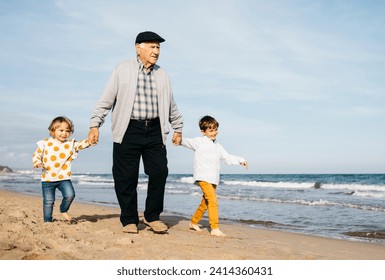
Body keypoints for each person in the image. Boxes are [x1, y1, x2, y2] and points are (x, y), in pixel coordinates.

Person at [88, 31, 183, 234]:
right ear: (138, 47)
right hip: (128, 129)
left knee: (159, 172)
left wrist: (178, 127)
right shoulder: (122, 69)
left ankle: (152, 216)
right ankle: (130, 219)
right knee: (125, 177)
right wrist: (95, 125)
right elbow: (106, 100)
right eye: (152, 46)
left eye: (158, 47)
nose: (156, 51)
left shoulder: (163, 74)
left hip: (155, 130)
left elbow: (171, 104)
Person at [179, 115, 248, 237]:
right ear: (203, 131)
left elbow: (227, 157)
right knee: (213, 201)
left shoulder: (218, 147)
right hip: (202, 177)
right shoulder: (199, 142)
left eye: (215, 129)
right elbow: (184, 141)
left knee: (205, 202)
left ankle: (193, 222)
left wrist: (240, 160)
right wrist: (177, 139)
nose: (214, 132)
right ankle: (215, 228)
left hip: (213, 179)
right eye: (210, 130)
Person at [32, 116, 91, 222]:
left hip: (63, 177)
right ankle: (47, 221)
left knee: (70, 195)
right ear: (53, 131)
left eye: (67, 131)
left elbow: (81, 144)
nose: (64, 133)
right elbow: (37, 154)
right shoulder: (45, 143)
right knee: (48, 201)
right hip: (47, 179)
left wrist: (90, 141)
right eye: (61, 130)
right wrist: (37, 162)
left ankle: (63, 209)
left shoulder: (70, 144)